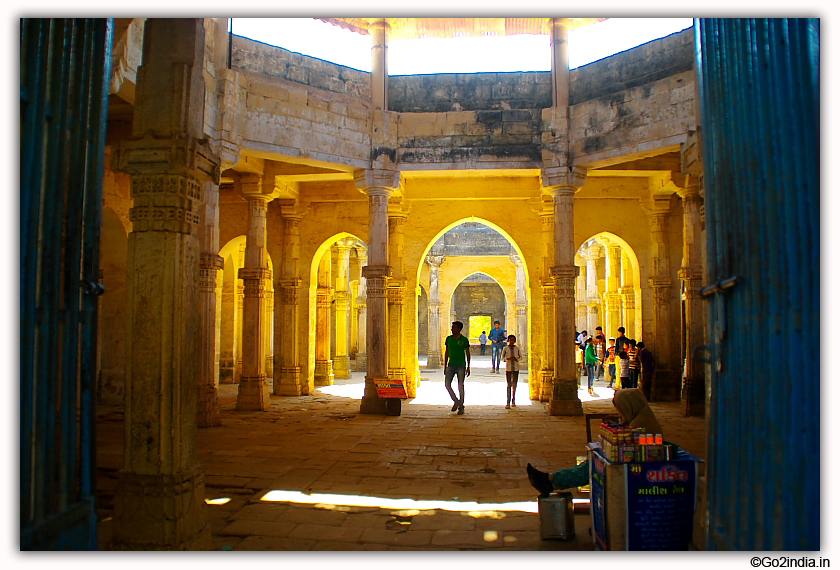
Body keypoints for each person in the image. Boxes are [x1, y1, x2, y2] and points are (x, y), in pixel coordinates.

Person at [526, 389, 664, 495]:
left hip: (635, 471)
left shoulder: (642, 425)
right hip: (627, 465)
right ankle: (551, 479)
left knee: (593, 467)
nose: (620, 414)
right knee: (590, 463)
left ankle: (552, 481)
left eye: (621, 410)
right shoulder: (639, 418)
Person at [443, 321, 471, 415]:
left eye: (454, 327)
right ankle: (458, 402)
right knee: (447, 384)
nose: (452, 329)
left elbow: (467, 353)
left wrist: (468, 366)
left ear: (459, 329)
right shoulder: (449, 339)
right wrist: (445, 365)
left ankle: (461, 405)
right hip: (451, 365)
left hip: (461, 365)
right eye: (452, 327)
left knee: (461, 385)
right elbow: (447, 352)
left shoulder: (464, 340)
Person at [500, 335, 522, 408]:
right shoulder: (505, 348)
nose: (512, 341)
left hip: (516, 368)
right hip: (508, 368)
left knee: (514, 384)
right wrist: (508, 358)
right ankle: (508, 401)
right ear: (508, 341)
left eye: (513, 340)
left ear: (515, 341)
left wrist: (516, 359)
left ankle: (513, 399)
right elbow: (502, 358)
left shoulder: (517, 349)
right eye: (510, 340)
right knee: (509, 384)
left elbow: (521, 357)